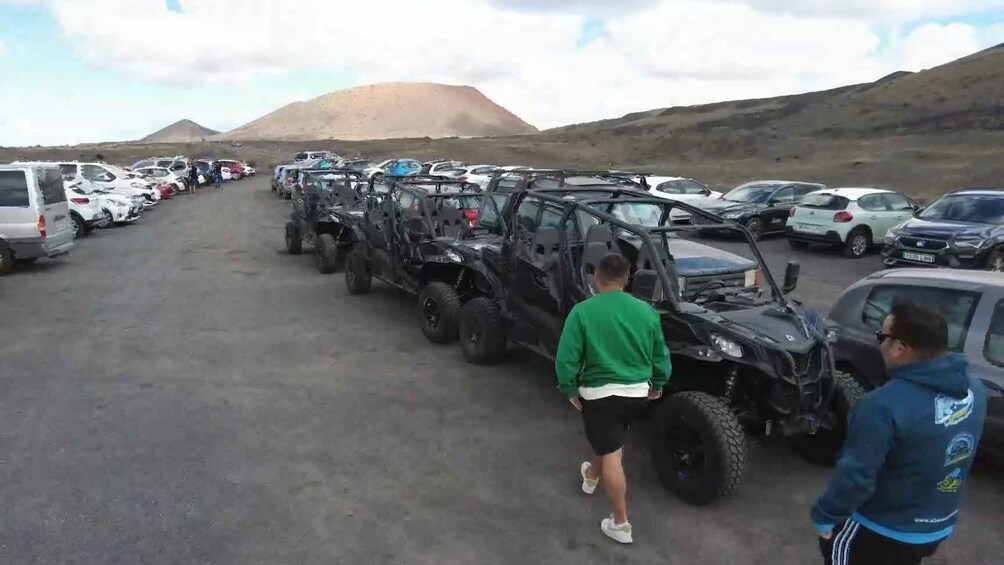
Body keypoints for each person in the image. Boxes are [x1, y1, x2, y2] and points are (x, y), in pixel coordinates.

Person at [811, 301, 987, 565]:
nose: (879, 343)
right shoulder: (974, 389)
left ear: (899, 348)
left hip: (880, 531)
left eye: (882, 337)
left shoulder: (882, 406)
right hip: (936, 525)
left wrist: (826, 515)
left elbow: (856, 476)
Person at [555, 253, 672, 545]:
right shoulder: (647, 312)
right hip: (637, 394)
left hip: (600, 395)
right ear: (628, 278)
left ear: (596, 277)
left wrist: (569, 388)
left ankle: (620, 523)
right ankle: (591, 477)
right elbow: (660, 354)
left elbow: (566, 357)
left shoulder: (582, 311)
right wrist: (658, 382)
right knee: (610, 439)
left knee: (612, 454)